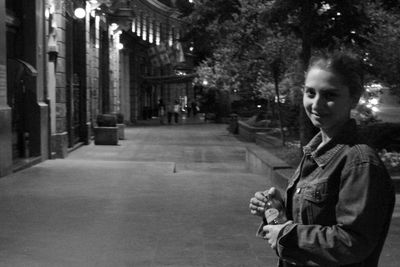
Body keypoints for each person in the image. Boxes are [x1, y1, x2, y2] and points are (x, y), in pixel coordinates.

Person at [249, 51, 395, 267]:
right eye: (310, 93)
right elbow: (314, 221)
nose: (316, 104)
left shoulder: (359, 162)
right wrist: (276, 211)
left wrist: (288, 234)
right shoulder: (317, 151)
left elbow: (352, 242)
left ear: (353, 98)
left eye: (329, 95)